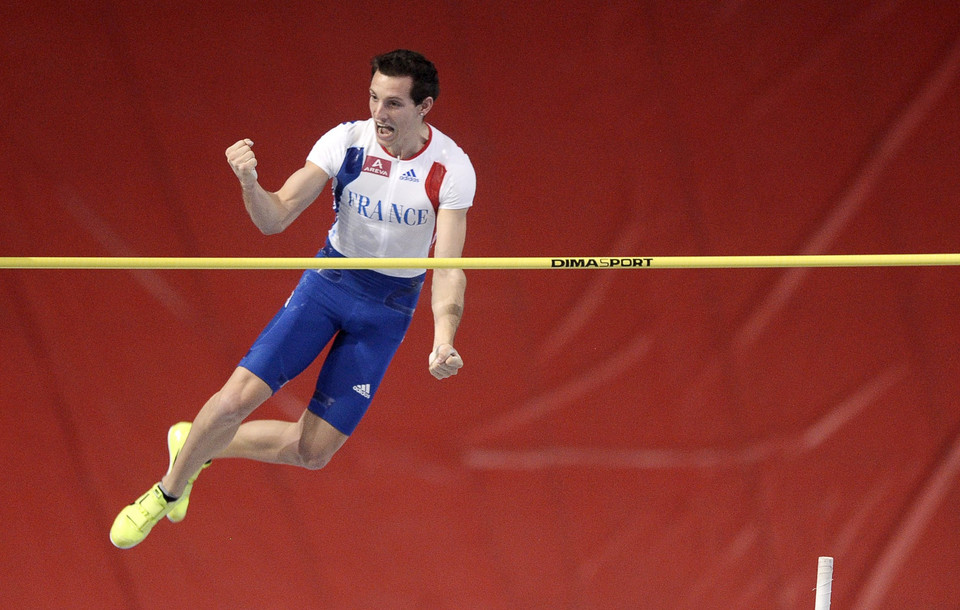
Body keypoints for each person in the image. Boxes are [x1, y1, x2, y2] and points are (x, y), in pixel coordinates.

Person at [110, 49, 475, 549]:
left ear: (424, 106)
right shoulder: (346, 141)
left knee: (313, 451)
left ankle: (192, 444)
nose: (378, 113)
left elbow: (448, 266)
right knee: (237, 398)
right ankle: (166, 494)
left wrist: (443, 339)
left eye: (392, 104)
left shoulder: (451, 167)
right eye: (373, 97)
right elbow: (274, 218)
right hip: (329, 284)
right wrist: (249, 184)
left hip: (387, 309)